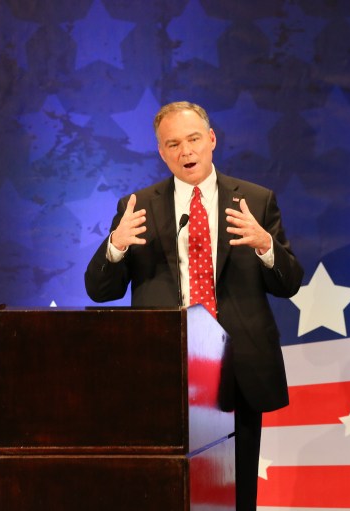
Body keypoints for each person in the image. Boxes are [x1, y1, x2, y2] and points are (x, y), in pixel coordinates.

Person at [85, 101, 304, 510]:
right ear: (161, 152)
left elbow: (289, 283)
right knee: (168, 489)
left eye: (193, 139)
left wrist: (265, 246)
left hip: (238, 368)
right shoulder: (139, 207)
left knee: (236, 491)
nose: (186, 152)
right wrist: (114, 246)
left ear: (212, 140)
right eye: (173, 144)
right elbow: (101, 291)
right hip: (163, 368)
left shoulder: (255, 201)